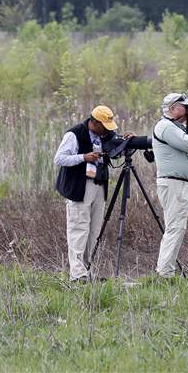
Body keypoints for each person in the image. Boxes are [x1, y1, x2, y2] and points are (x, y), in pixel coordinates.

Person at [53, 105, 130, 282]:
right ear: (95, 122)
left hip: (99, 185)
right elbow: (59, 158)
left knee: (94, 230)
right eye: (104, 125)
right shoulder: (74, 134)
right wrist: (83, 157)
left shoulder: (107, 136)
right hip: (79, 187)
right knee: (78, 229)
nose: (107, 130)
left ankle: (89, 270)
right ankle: (78, 274)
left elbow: (115, 152)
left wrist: (125, 142)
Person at [152, 93, 188, 278]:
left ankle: (165, 271)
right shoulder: (165, 126)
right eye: (185, 107)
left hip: (180, 185)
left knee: (177, 227)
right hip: (173, 185)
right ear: (172, 108)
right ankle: (165, 273)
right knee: (175, 228)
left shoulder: (175, 126)